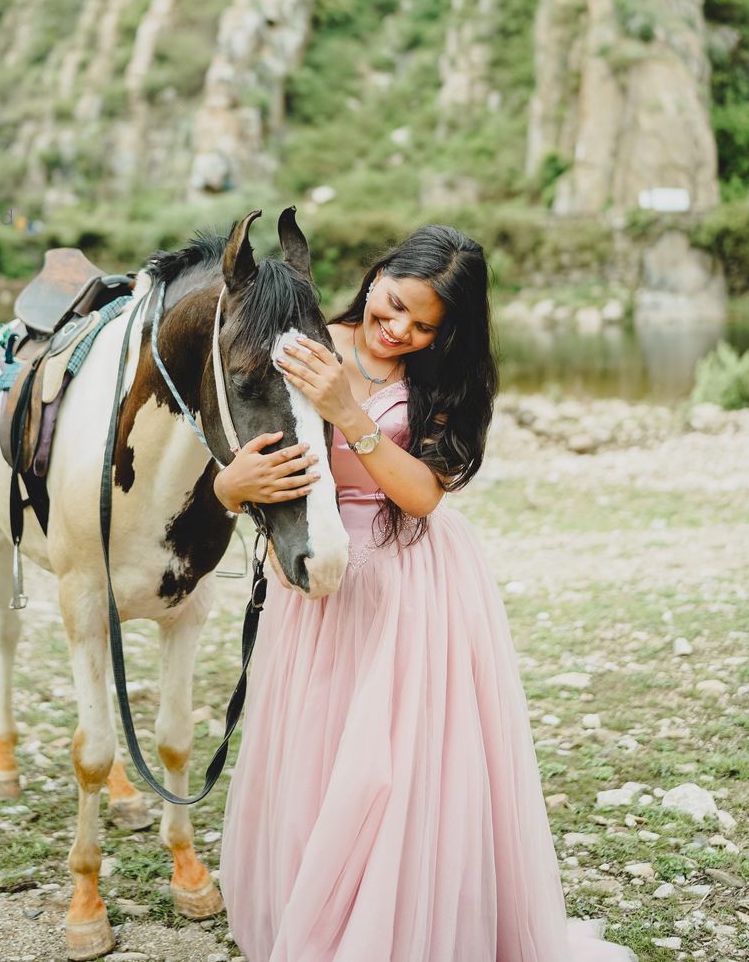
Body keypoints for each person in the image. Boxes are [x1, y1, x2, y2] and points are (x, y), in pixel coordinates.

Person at [214, 225, 636, 962]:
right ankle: (315, 913)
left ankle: (392, 929)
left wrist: (350, 414)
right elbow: (242, 443)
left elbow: (421, 498)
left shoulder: (447, 382)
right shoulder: (305, 342)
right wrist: (227, 487)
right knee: (314, 753)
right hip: (317, 576)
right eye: (396, 304)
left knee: (392, 768)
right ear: (376, 274)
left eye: (425, 325)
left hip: (410, 584)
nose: (400, 329)